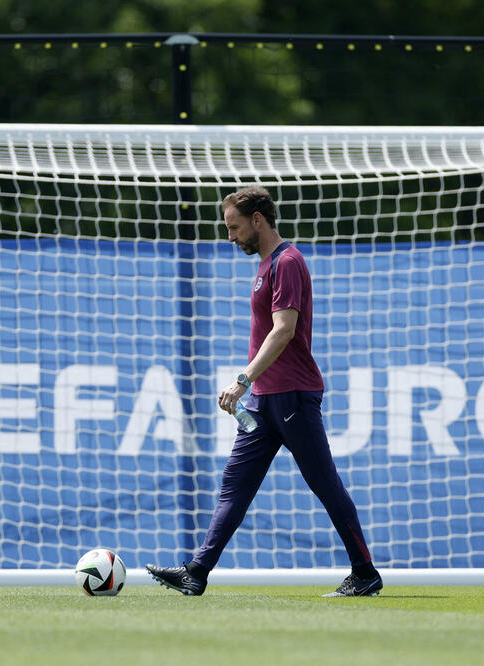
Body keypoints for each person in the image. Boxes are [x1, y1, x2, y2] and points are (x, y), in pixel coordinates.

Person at [146, 186, 382, 598]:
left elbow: (284, 331)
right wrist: (251, 387)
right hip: (263, 403)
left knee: (325, 484)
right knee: (234, 488)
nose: (231, 237)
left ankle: (365, 572)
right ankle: (197, 572)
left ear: (258, 220)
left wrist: (242, 379)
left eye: (234, 227)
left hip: (292, 397)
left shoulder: (287, 262)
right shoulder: (266, 265)